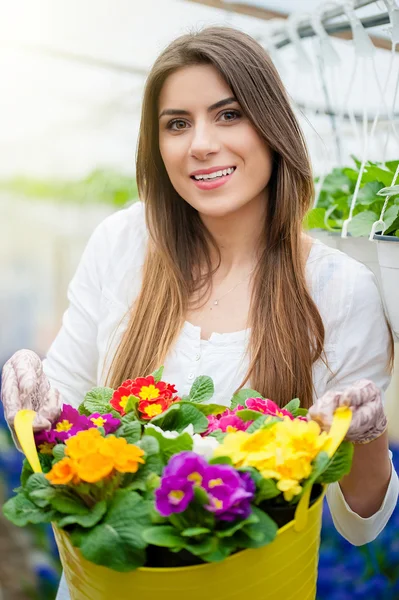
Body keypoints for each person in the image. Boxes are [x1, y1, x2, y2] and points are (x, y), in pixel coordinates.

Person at [1, 26, 398, 599]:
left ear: (272, 127)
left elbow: (361, 523)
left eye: (228, 114)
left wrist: (368, 436)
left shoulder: (339, 288)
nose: (200, 144)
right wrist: (34, 406)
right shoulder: (122, 243)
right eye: (177, 124)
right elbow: (60, 422)